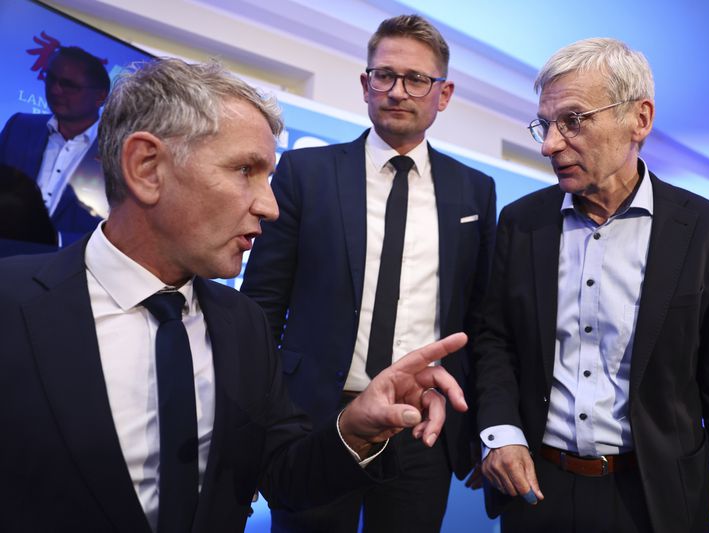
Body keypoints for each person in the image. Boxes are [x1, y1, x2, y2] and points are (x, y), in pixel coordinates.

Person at [0, 57, 471, 533]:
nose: (269, 205)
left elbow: (284, 478)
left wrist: (352, 430)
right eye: (246, 170)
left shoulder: (243, 325)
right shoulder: (10, 306)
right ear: (147, 167)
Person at [474, 38, 709, 533]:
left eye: (573, 120)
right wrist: (501, 432)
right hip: (537, 493)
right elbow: (496, 342)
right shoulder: (521, 221)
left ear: (639, 119)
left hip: (654, 500)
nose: (550, 143)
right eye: (545, 125)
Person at [241, 14, 496, 533]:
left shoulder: (475, 191)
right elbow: (262, 303)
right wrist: (254, 411)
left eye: (417, 79)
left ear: (443, 95)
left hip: (420, 425)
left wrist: (473, 423)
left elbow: (478, 317)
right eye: (384, 75)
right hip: (314, 416)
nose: (398, 91)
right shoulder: (306, 173)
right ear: (365, 84)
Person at [0, 46, 109, 245]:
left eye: (68, 85)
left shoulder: (116, 155)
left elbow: (115, 233)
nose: (55, 90)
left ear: (100, 96)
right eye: (50, 79)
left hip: (63, 267)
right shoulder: (20, 126)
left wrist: (55, 241)